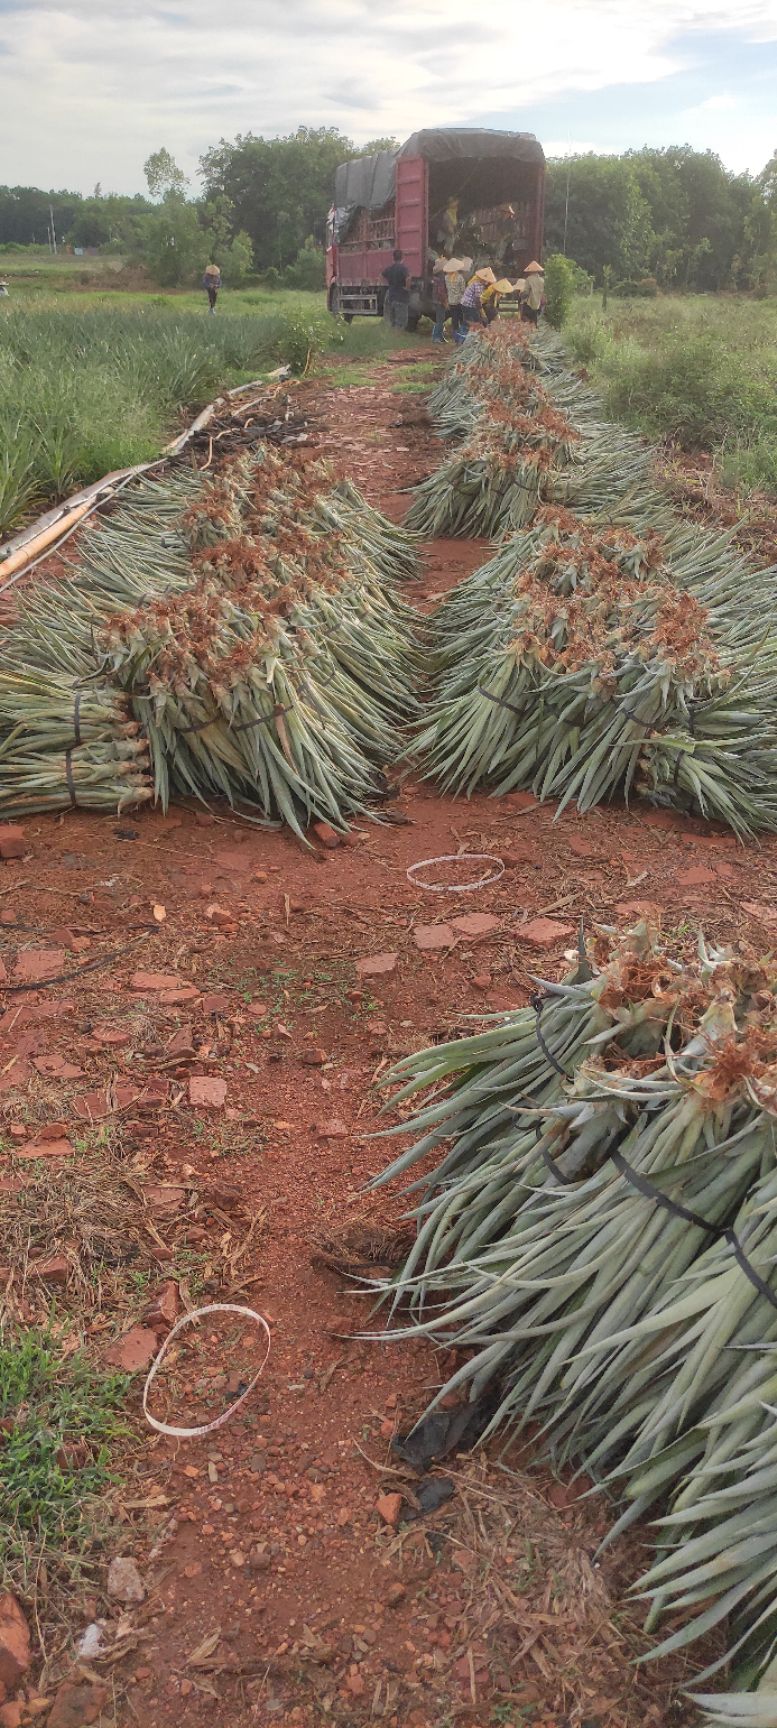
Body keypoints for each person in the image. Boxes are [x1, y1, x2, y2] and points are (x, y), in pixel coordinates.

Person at [442, 257, 469, 342]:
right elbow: (463, 290)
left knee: (454, 320)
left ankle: (455, 338)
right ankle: (462, 337)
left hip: (451, 301)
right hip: (460, 301)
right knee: (462, 319)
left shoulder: (446, 278)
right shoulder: (460, 277)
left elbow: (446, 289)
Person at [460, 266, 496, 330]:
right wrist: (481, 312)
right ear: (484, 279)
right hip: (469, 304)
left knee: (468, 321)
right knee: (475, 321)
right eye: (487, 280)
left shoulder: (476, 282)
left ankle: (462, 335)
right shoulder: (478, 285)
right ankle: (468, 335)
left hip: (465, 304)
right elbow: (477, 300)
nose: (488, 282)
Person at [382, 248, 410, 330]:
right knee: (401, 323)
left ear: (393, 258)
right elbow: (408, 278)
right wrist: (407, 288)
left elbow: (381, 275)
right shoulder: (403, 268)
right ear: (402, 257)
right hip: (401, 298)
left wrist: (389, 284)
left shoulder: (389, 268)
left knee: (393, 322)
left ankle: (393, 340)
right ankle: (397, 339)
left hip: (391, 297)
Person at [431, 259, 450, 344]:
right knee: (440, 319)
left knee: (440, 319)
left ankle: (440, 337)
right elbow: (441, 292)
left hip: (436, 300)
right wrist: (445, 302)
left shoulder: (436, 277)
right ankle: (436, 337)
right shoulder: (442, 278)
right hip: (440, 301)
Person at [521, 261, 545, 325]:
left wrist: (521, 295)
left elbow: (526, 292)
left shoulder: (529, 279)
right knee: (535, 321)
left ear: (530, 271)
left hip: (530, 303)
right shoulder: (542, 280)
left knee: (525, 318)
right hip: (539, 304)